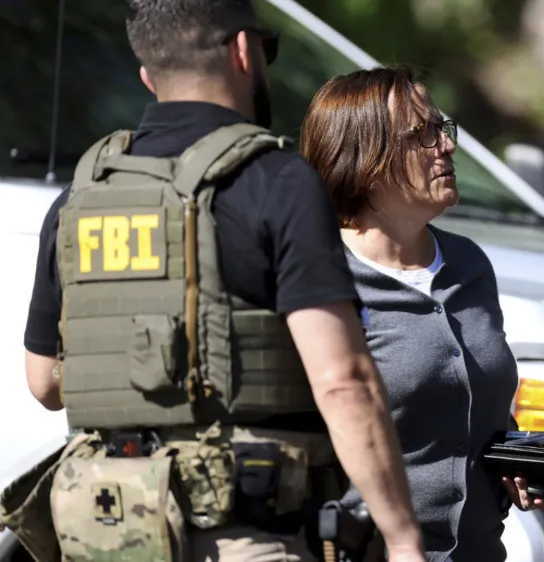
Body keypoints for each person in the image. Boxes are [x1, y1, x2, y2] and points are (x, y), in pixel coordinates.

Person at [2, 1, 427, 561]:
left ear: (148, 75)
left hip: (113, 536)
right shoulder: (277, 181)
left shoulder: (79, 197)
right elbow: (343, 382)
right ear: (244, 51)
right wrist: (402, 539)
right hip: (242, 535)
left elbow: (44, 383)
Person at [298, 66, 544, 562]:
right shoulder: (320, 277)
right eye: (421, 134)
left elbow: (466, 402)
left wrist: (515, 455)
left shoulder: (469, 264)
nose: (446, 146)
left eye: (443, 129)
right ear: (365, 158)